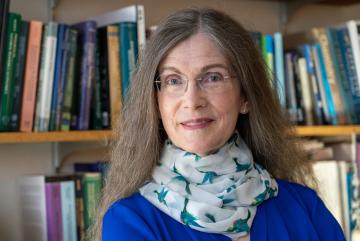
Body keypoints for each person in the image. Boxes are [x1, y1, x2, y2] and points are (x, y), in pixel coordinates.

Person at [91, 8, 346, 241]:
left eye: (212, 77)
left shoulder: (304, 207)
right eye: (173, 81)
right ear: (155, 102)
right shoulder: (131, 221)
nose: (192, 101)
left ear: (245, 96)